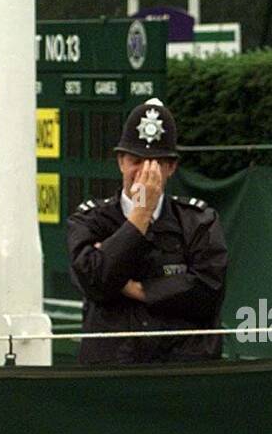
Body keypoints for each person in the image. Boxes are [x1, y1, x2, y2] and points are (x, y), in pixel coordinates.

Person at [65, 98, 228, 364]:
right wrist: (140, 215)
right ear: (121, 162)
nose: (143, 172)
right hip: (112, 373)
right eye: (136, 161)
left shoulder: (198, 221)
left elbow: (208, 291)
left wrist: (138, 288)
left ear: (171, 167)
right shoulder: (90, 220)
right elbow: (94, 280)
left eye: (155, 163)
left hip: (179, 371)